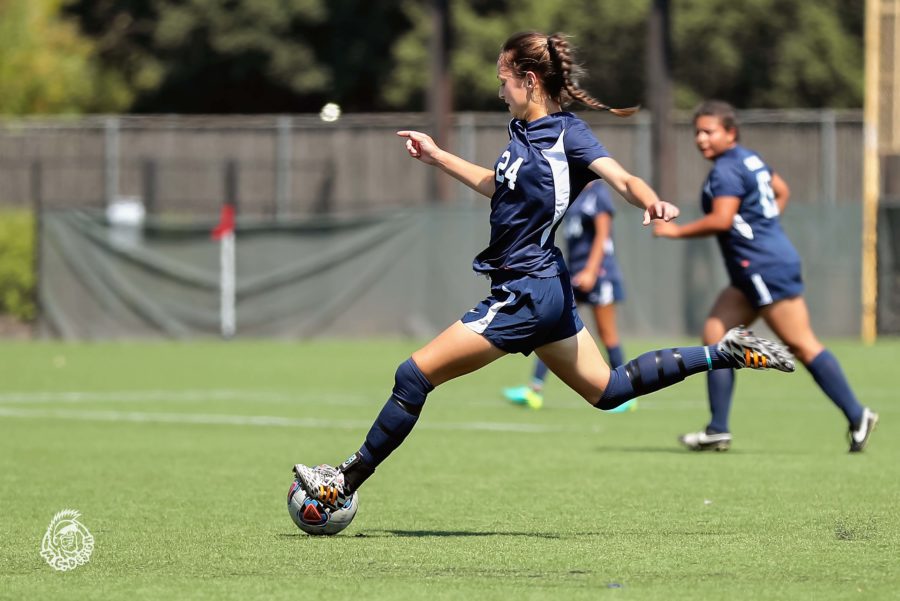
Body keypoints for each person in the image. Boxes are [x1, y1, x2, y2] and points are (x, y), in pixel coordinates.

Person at [291, 33, 795, 508]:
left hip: (527, 289)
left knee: (413, 375)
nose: (500, 90)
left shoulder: (568, 135)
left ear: (530, 80)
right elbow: (498, 184)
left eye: (504, 80)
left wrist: (651, 200)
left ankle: (344, 481)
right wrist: (439, 156)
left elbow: (621, 176)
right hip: (543, 286)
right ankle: (723, 352)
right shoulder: (521, 132)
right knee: (608, 390)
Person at [653, 99, 878, 453]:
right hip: (757, 268)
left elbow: (722, 220)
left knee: (802, 345)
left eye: (709, 131)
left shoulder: (725, 170)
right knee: (716, 334)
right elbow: (782, 190)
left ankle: (857, 414)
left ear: (730, 132)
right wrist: (765, 227)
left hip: (762, 268)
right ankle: (717, 429)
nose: (701, 139)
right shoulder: (749, 158)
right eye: (697, 131)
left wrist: (674, 232)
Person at [502, 179, 635, 412]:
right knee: (550, 329)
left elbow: (603, 235)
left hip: (598, 275)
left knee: (607, 333)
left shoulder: (599, 194)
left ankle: (627, 393)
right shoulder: (573, 194)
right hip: (575, 275)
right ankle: (535, 390)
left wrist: (592, 270)